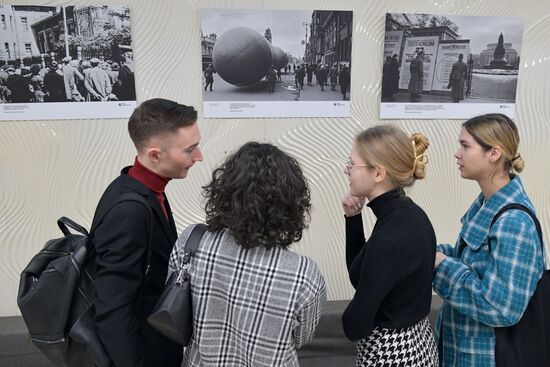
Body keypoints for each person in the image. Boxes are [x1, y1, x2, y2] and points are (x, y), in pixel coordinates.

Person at [169, 142, 325, 367]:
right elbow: (301, 338)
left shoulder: (193, 240)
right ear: (291, 202)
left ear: (226, 190)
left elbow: (176, 300)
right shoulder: (303, 273)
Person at [89, 98, 203, 367]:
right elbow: (112, 310)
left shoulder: (142, 187)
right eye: (191, 149)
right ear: (155, 155)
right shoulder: (129, 212)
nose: (199, 157)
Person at [433, 113, 544, 366]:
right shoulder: (489, 203)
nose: (457, 154)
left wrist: (441, 266)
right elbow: (473, 261)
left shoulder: (514, 222)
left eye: (465, 146)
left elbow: (501, 307)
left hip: (487, 358)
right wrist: (427, 252)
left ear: (493, 154)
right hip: (463, 350)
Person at [341, 125, 438, 366]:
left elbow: (355, 327)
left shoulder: (388, 239)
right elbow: (360, 276)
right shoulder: (413, 215)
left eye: (352, 164)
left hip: (390, 354)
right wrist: (353, 219)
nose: (347, 170)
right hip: (420, 345)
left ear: (378, 173)